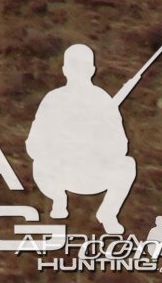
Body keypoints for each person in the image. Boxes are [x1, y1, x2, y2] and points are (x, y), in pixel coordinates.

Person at [28, 43, 139, 233]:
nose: (78, 71)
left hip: (94, 173)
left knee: (127, 165)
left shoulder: (103, 101)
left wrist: (97, 143)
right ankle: (58, 199)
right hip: (61, 173)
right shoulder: (53, 100)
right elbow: (34, 144)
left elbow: (121, 146)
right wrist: (60, 147)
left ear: (92, 70)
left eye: (82, 66)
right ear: (65, 70)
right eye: (74, 66)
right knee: (39, 164)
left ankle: (108, 213)